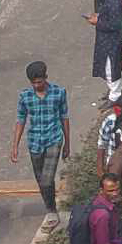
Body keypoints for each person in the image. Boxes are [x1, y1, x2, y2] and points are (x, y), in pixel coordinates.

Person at [11, 61, 71, 214]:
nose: (37, 85)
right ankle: (50, 205)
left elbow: (64, 117)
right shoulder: (25, 96)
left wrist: (67, 143)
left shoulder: (59, 93)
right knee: (41, 180)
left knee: (46, 179)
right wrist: (15, 146)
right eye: (34, 83)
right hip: (34, 143)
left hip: (54, 139)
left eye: (40, 82)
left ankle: (51, 211)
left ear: (46, 77)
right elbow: (20, 120)